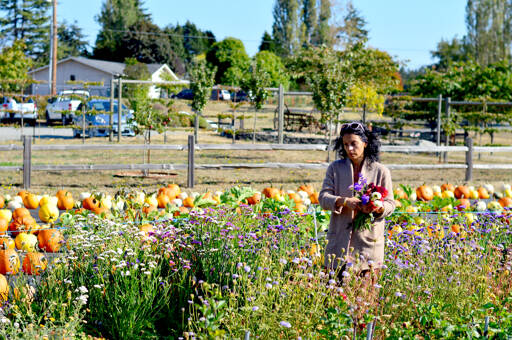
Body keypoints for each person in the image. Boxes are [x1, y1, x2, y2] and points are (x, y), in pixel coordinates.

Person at [319, 121, 395, 277]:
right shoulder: (335, 168)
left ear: (365, 143)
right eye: (346, 145)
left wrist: (378, 207)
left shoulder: (381, 171)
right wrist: (344, 201)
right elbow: (323, 198)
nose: (350, 149)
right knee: (333, 297)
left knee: (364, 297)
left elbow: (390, 204)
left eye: (354, 144)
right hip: (338, 246)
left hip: (368, 246)